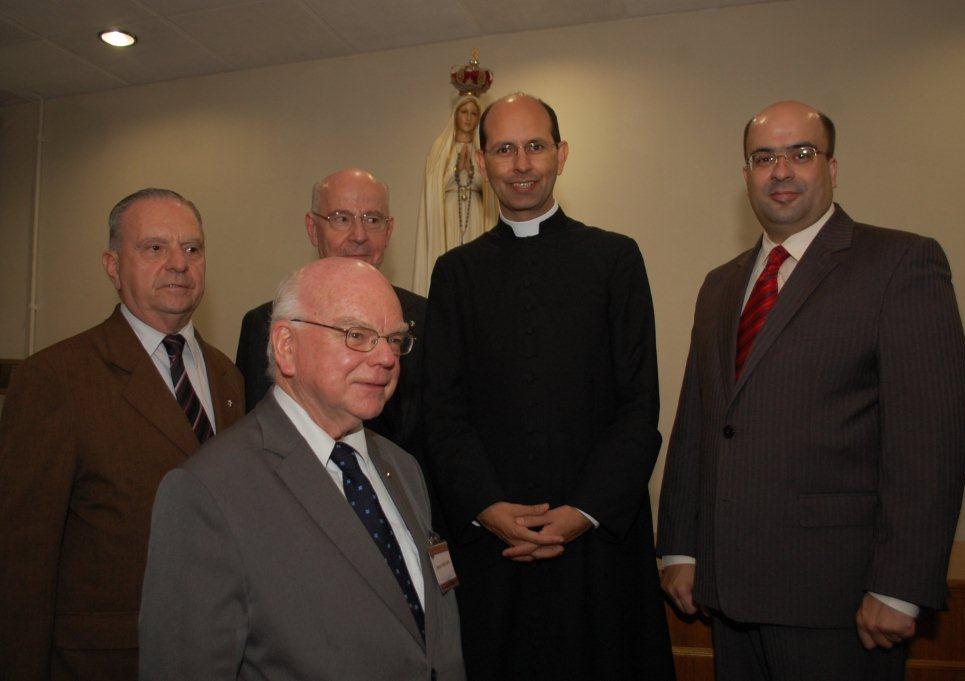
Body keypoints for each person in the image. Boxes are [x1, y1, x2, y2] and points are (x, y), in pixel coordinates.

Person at [657, 100, 965, 680]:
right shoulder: (721, 285)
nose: (781, 171)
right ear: (745, 175)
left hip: (842, 602)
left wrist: (900, 586)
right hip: (726, 595)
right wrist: (679, 546)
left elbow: (934, 437)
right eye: (763, 157)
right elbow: (698, 424)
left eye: (801, 153)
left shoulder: (901, 263)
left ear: (832, 167)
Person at [423, 93, 675, 680]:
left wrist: (582, 512)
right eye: (504, 149)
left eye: (535, 146)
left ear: (561, 154)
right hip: (494, 549)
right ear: (482, 164)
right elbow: (443, 413)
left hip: (597, 546)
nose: (521, 164)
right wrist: (485, 506)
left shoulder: (615, 259)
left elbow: (640, 406)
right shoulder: (455, 275)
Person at [139, 257, 465, 680]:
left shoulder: (402, 468)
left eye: (395, 339)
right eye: (357, 335)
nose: (386, 357)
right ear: (287, 346)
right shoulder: (208, 491)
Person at [0, 188, 244, 681]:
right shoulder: (56, 378)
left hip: (220, 652)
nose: (178, 264)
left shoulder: (228, 378)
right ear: (112, 265)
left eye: (192, 249)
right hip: (108, 660)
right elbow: (20, 564)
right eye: (154, 248)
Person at [236, 168, 426, 459]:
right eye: (341, 219)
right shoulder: (265, 324)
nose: (359, 235)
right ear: (313, 228)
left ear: (388, 231)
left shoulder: (426, 318)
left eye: (372, 220)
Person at [412, 94, 499, 296]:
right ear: (455, 115)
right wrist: (456, 172)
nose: (468, 118)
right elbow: (433, 187)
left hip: (476, 211)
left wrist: (472, 173)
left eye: (473, 113)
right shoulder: (441, 148)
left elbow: (489, 186)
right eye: (464, 112)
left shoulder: (483, 151)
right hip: (449, 211)